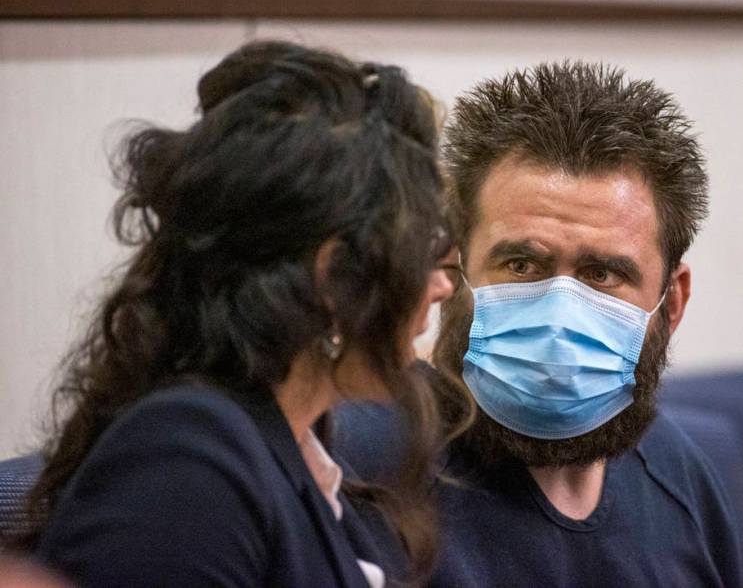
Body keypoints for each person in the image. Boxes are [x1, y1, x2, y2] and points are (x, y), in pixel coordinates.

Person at [16, 40, 470, 587]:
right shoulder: (187, 463)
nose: (442, 284)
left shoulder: (296, 443)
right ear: (331, 277)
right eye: (419, 254)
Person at [428, 61, 742, 586]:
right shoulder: (371, 467)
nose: (557, 314)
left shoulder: (682, 485)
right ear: (450, 266)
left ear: (671, 303)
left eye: (602, 274)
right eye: (522, 265)